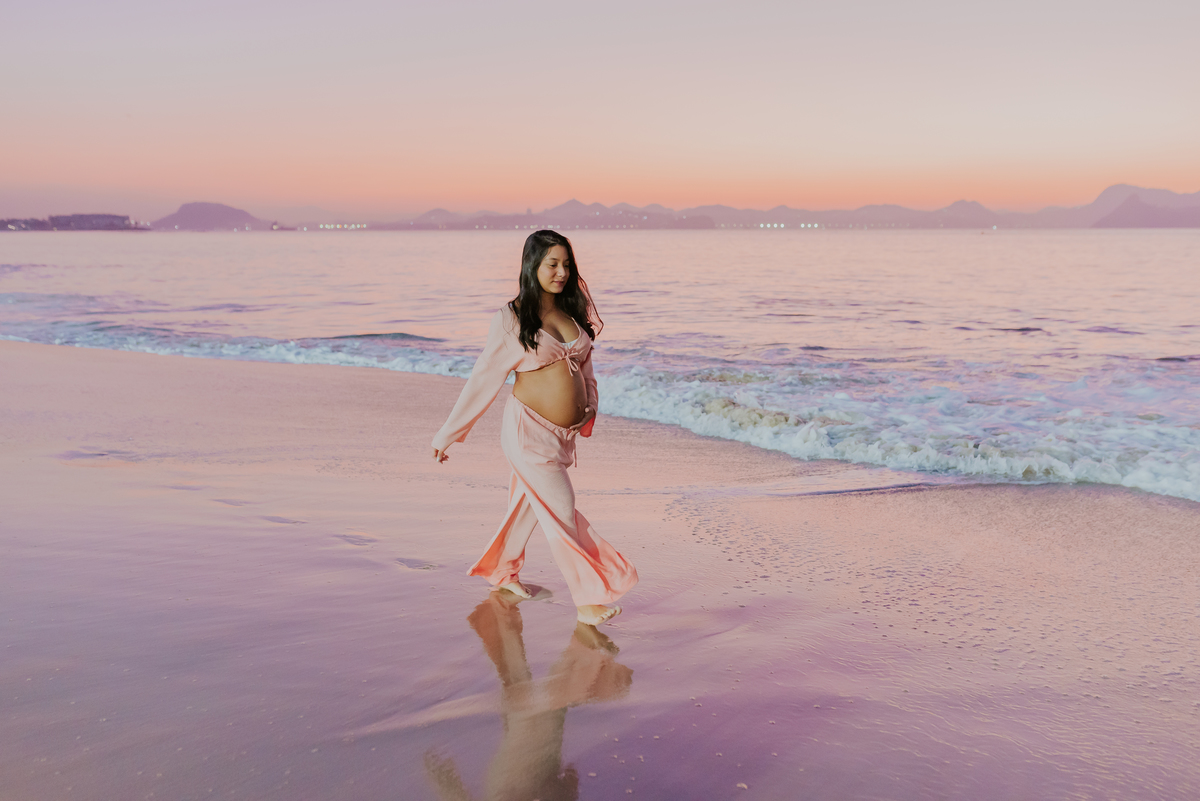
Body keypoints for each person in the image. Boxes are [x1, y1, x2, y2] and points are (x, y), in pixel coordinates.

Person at [431, 230, 638, 626]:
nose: (561, 272)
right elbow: (484, 378)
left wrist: (590, 407)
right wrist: (449, 433)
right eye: (552, 264)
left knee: (527, 507)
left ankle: (502, 571)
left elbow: (587, 373)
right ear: (532, 266)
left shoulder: (570, 313)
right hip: (527, 433)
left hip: (561, 438)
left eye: (566, 264)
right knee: (560, 509)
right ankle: (589, 599)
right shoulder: (512, 318)